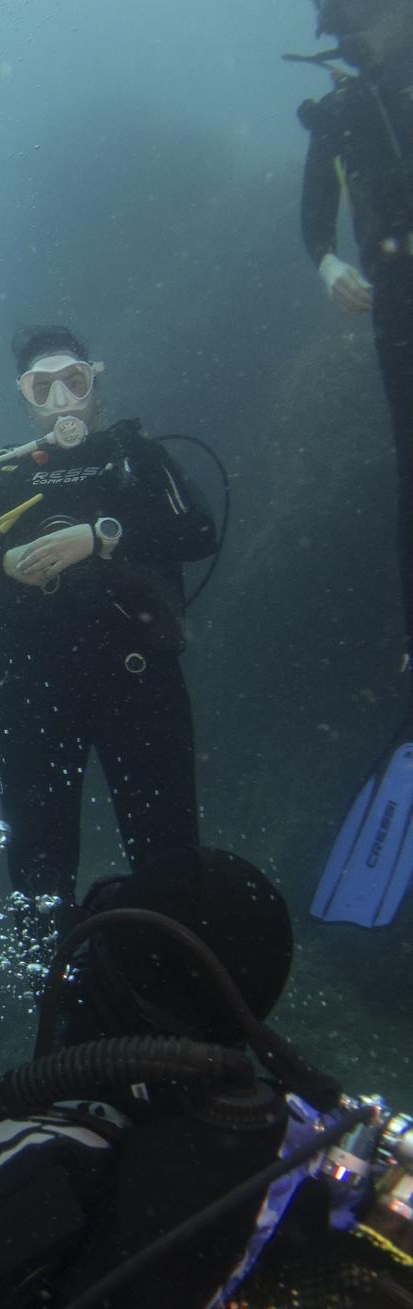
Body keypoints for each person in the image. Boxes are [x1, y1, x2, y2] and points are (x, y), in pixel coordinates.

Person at [0, 847, 413, 1309]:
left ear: (106, 978)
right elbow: (113, 1181)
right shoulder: (297, 1131)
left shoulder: (61, 1163)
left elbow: (41, 1194)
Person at [0, 326, 217, 928]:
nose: (61, 400)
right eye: (42, 386)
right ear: (24, 399)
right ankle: (57, 1003)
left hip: (140, 682)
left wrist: (104, 537)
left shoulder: (138, 459)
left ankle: (176, 997)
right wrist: (0, 561)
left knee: (168, 853)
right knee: (39, 870)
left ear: (95, 387)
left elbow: (198, 534)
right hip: (31, 694)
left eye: (73, 382)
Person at [295, 0, 413, 929]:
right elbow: (312, 221)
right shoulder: (340, 112)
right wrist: (325, 263)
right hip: (403, 316)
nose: (366, 39)